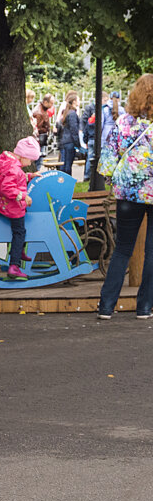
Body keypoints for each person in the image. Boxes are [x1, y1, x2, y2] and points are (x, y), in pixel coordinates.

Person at [96, 74, 153, 320]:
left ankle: (106, 307)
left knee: (122, 250)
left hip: (128, 194)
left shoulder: (124, 122)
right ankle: (144, 308)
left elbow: (108, 158)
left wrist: (112, 180)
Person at [0, 136, 40, 280]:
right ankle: (15, 264)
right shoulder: (13, 167)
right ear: (24, 156)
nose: (30, 163)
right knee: (20, 232)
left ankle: (18, 251)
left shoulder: (9, 164)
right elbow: (7, 187)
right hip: (12, 206)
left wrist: (30, 176)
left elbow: (16, 178)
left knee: (20, 231)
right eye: (30, 160)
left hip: (6, 203)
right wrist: (23, 196)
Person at [58, 91, 80, 176]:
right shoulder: (72, 114)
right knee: (68, 164)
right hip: (69, 142)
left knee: (65, 163)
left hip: (65, 140)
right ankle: (66, 181)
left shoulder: (68, 112)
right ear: (74, 101)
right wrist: (77, 143)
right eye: (78, 100)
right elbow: (74, 129)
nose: (79, 102)